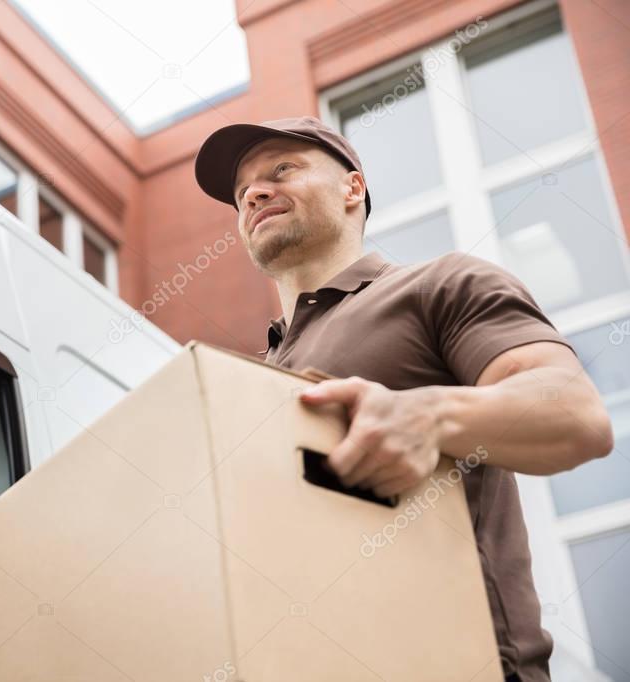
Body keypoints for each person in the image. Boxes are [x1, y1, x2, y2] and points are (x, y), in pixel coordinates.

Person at [194, 116, 614, 682]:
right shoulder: (246, 379)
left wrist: (428, 414)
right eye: (243, 193)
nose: (254, 194)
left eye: (282, 169)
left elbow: (574, 415)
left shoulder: (439, 284)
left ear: (353, 188)